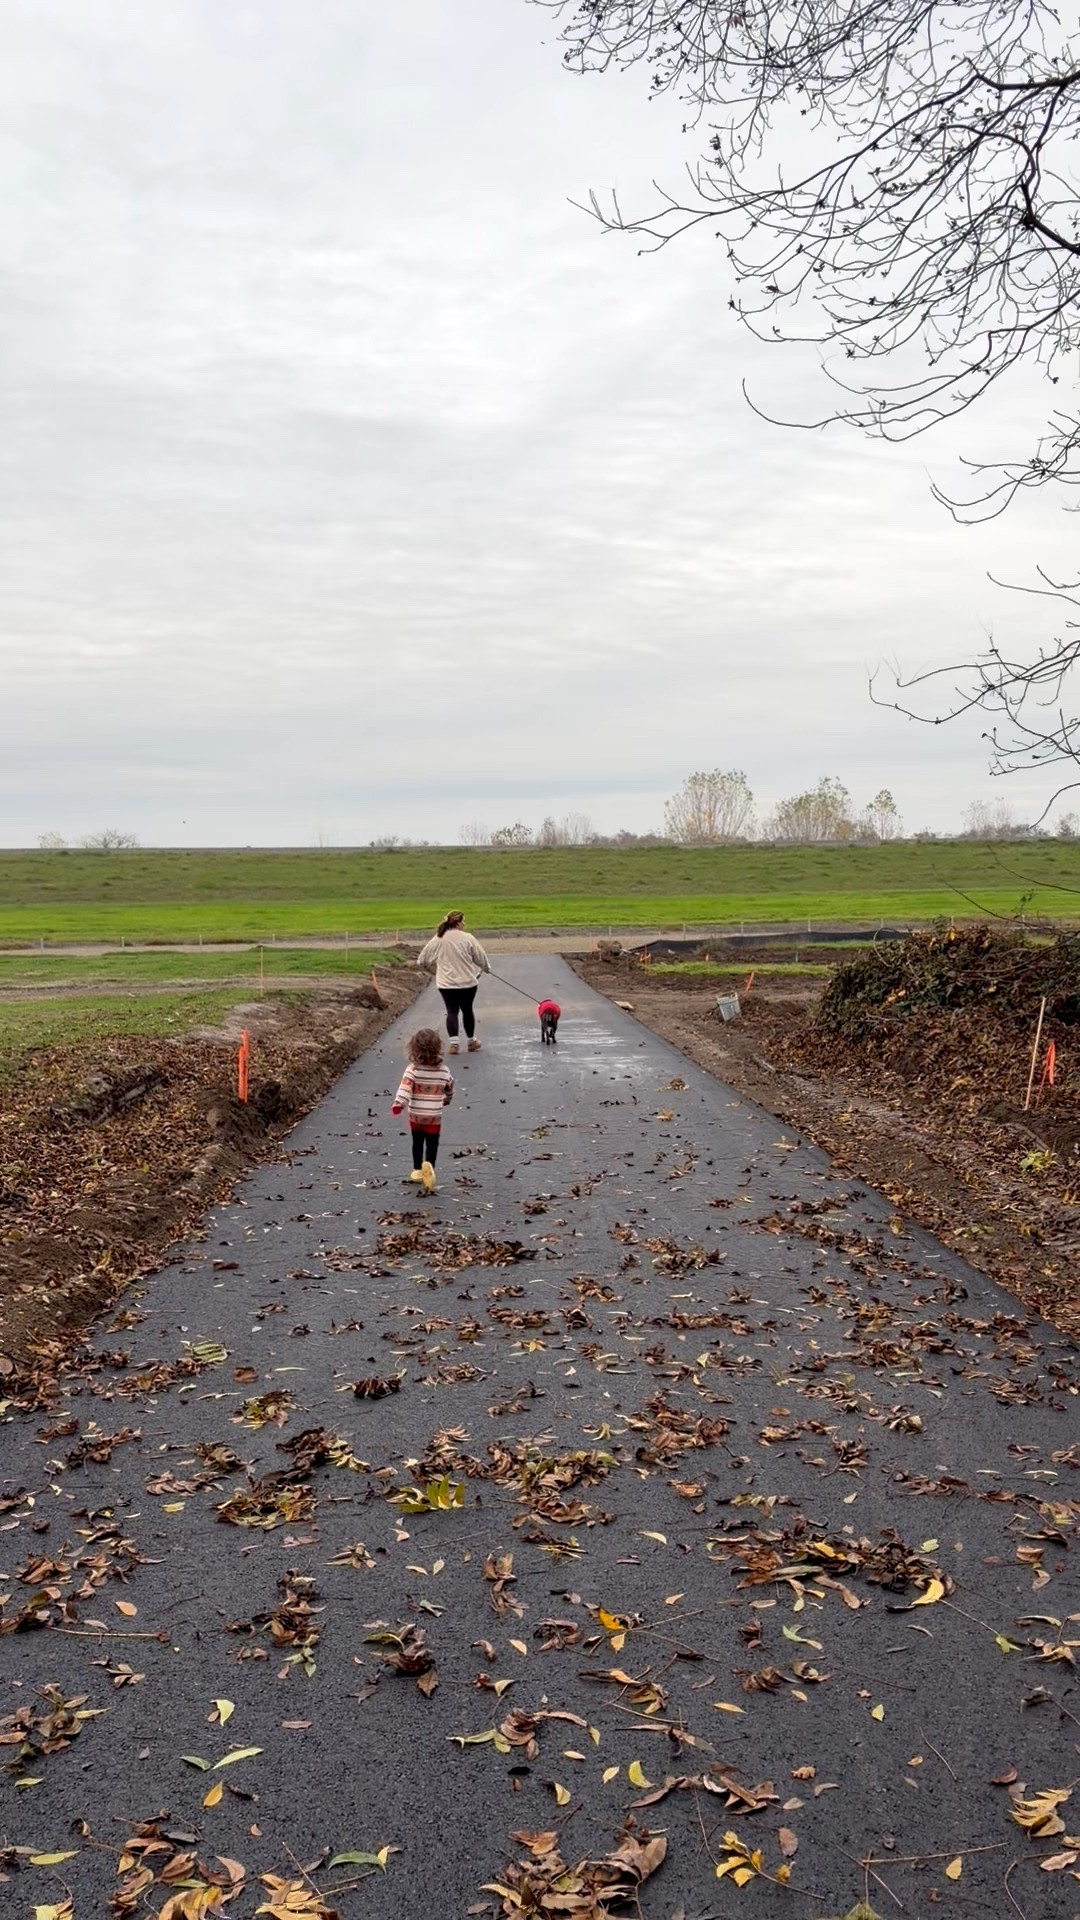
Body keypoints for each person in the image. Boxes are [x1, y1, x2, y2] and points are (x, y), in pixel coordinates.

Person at [416, 909, 491, 1054]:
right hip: (467, 982)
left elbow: (422, 959)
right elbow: (480, 957)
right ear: (458, 923)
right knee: (467, 1010)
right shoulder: (468, 938)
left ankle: (454, 1044)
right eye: (463, 922)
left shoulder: (438, 938)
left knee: (452, 1011)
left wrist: (431, 968)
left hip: (446, 984)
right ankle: (471, 1041)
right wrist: (486, 968)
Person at [391, 1027, 454, 1193]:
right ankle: (430, 1168)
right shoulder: (443, 1070)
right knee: (432, 1143)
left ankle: (417, 1170)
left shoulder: (413, 1069)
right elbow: (449, 1087)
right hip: (434, 1115)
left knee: (417, 1142)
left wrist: (399, 1103)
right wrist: (447, 1099)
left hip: (416, 1115)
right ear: (438, 1047)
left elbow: (405, 1087)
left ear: (413, 1048)